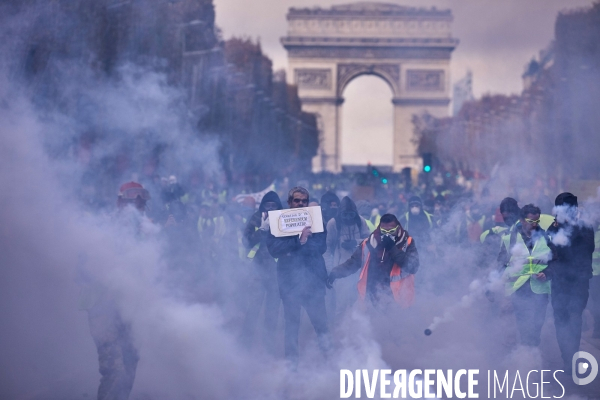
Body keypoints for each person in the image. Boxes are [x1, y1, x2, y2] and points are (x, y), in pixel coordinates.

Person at [80, 182, 152, 400]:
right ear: (121, 203)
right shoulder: (103, 227)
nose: (138, 208)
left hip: (128, 307)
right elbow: (82, 266)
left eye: (141, 204)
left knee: (131, 361)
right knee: (115, 370)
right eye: (133, 203)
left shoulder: (144, 230)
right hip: (102, 307)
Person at [266, 187, 330, 368]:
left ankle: (330, 364)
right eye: (297, 200)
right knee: (292, 328)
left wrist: (305, 242)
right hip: (290, 285)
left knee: (322, 327)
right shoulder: (278, 223)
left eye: (304, 201)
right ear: (289, 202)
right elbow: (274, 249)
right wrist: (299, 241)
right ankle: (292, 368)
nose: (300, 203)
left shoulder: (316, 222)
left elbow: (321, 247)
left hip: (314, 283)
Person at [545, 193, 595, 372]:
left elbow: (588, 247)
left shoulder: (584, 226)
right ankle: (566, 356)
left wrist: (571, 228)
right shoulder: (554, 227)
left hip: (579, 281)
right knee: (560, 319)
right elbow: (548, 251)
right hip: (559, 281)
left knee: (574, 318)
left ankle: (572, 357)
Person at [327, 214, 419, 308]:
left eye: (391, 231)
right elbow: (353, 263)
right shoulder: (369, 243)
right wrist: (336, 272)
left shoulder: (407, 242)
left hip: (398, 298)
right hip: (372, 295)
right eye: (384, 231)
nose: (387, 234)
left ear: (398, 228)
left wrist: (392, 248)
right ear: (379, 229)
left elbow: (413, 266)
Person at [498, 204, 554, 347]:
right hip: (519, 288)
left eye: (537, 221)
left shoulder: (546, 237)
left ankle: (533, 346)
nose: (534, 225)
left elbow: (557, 261)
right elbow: (501, 263)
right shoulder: (509, 239)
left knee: (537, 324)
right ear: (522, 220)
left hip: (540, 288)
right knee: (523, 324)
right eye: (531, 222)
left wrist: (547, 273)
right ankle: (527, 352)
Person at [240, 191, 283, 354]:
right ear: (262, 206)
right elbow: (246, 241)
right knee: (254, 307)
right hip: (258, 270)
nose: (271, 208)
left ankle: (268, 346)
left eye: (274, 206)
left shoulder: (283, 219)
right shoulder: (256, 219)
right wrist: (262, 230)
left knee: (272, 311)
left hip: (276, 272)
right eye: (268, 205)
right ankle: (244, 344)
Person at [325, 196, 370, 321]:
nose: (348, 218)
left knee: (358, 304)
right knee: (341, 305)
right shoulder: (333, 224)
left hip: (359, 270)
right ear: (340, 213)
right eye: (345, 215)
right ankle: (339, 334)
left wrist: (356, 242)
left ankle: (356, 333)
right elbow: (327, 249)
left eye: (351, 215)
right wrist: (330, 270)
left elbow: (370, 242)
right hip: (340, 270)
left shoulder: (361, 221)